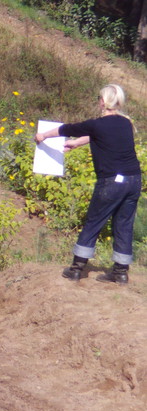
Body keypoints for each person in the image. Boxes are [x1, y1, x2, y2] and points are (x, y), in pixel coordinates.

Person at [34, 84, 141, 285]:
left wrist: (43, 135)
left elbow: (66, 129)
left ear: (102, 101)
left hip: (111, 181)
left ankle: (76, 269)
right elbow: (101, 134)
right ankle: (120, 272)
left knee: (94, 221)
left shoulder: (97, 124)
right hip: (133, 180)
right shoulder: (126, 123)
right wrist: (77, 143)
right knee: (124, 224)